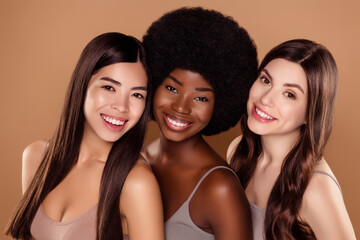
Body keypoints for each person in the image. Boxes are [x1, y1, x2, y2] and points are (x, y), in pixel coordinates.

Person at [6, 32, 164, 240]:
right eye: (109, 87)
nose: (122, 106)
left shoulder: (136, 182)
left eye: (137, 94)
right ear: (82, 85)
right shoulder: (36, 156)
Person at [141, 7, 258, 240]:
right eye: (172, 88)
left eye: (201, 98)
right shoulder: (136, 157)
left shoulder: (219, 188)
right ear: (153, 83)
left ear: (222, 104)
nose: (181, 107)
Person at [227, 39, 356, 240]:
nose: (266, 99)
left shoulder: (316, 188)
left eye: (289, 94)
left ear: (310, 113)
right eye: (265, 80)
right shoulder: (238, 150)